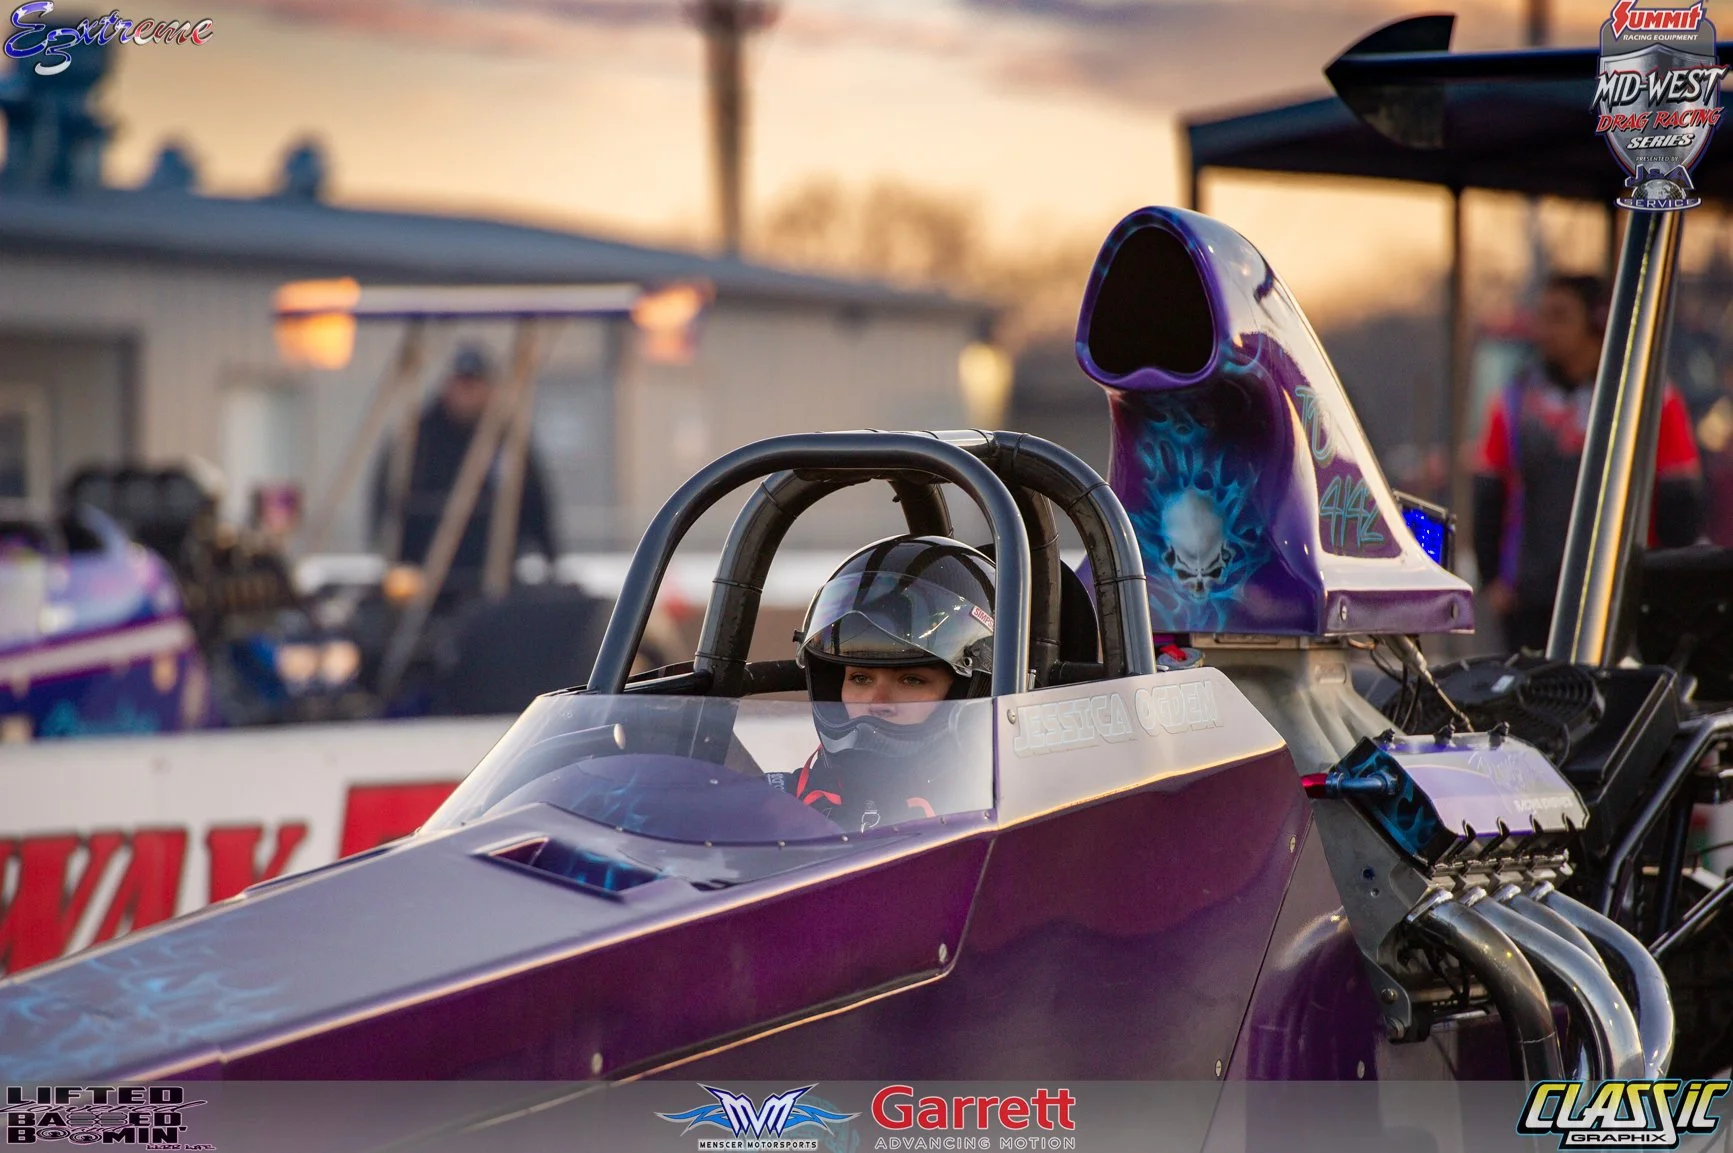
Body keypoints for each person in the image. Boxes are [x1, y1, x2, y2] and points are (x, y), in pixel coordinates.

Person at [1474, 273, 1705, 652]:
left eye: (1560, 317)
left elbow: (1679, 499)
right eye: (1542, 316)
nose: (1545, 330)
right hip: (1531, 598)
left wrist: (1668, 587)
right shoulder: (1515, 401)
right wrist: (1492, 579)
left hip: (1623, 594)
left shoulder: (1650, 399)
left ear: (1597, 323)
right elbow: (1489, 491)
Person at [774, 534, 996, 834]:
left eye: (911, 680)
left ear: (971, 692)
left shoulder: (1009, 816)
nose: (877, 703)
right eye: (860, 678)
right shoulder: (777, 807)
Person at [369, 343, 556, 585]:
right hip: (423, 576)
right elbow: (387, 498)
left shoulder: (505, 440)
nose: (466, 392)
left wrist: (547, 557)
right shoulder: (416, 440)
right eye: (460, 383)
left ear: (490, 389)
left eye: (474, 384)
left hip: (493, 575)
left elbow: (534, 501)